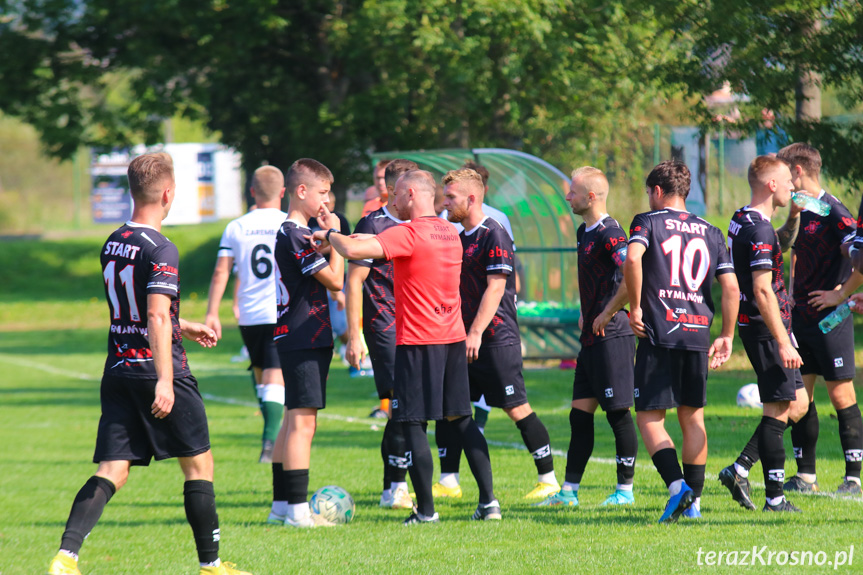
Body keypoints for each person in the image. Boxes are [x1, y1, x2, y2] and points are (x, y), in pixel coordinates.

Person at [47, 152, 250, 575]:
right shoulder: (161, 248)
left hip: (118, 367)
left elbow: (136, 310)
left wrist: (186, 324)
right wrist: (165, 379)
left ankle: (65, 558)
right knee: (198, 464)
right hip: (157, 367)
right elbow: (155, 315)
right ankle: (211, 565)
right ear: (168, 193)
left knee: (113, 469)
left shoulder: (114, 240)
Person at [310, 169, 499, 524]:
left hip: (417, 342)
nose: (391, 201)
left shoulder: (410, 232)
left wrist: (329, 232)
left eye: (395, 194)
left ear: (411, 194)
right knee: (461, 419)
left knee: (412, 423)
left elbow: (352, 249)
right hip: (453, 339)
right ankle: (490, 503)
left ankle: (426, 511)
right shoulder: (451, 233)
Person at [624, 160, 739, 523]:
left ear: (657, 191)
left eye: (649, 193)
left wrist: (635, 307)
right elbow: (732, 288)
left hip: (660, 332)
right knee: (693, 417)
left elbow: (632, 259)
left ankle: (678, 489)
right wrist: (726, 335)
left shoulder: (647, 221)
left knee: (648, 418)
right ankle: (696, 506)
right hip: (696, 333)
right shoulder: (711, 230)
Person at [439, 168, 559, 500]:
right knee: (453, 409)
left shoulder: (495, 233)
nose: (444, 202)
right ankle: (449, 481)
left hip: (494, 340)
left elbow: (496, 288)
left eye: (451, 197)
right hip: (465, 340)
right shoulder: (459, 237)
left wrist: (475, 331)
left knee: (516, 407)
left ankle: (548, 479)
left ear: (472, 197)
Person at [537, 166, 638, 508]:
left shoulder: (611, 232)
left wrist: (609, 311)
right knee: (579, 416)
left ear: (591, 197)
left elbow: (632, 274)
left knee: (618, 413)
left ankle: (625, 492)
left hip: (612, 336)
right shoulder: (584, 231)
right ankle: (568, 493)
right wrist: (588, 309)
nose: (567, 197)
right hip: (590, 338)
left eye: (573, 192)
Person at [718, 155, 810, 513]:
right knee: (777, 409)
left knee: (796, 405)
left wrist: (794, 216)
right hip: (766, 327)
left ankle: (740, 469)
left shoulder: (743, 218)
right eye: (787, 180)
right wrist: (784, 341)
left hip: (762, 325)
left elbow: (776, 246)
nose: (792, 185)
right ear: (771, 185)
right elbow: (762, 289)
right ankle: (775, 498)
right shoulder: (757, 229)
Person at [777, 143, 863, 496]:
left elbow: (860, 257)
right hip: (802, 318)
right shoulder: (804, 209)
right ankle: (806, 475)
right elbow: (790, 251)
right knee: (803, 397)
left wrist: (840, 294)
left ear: (798, 170)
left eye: (784, 171)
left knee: (841, 394)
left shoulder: (834, 210)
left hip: (832, 319)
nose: (780, 178)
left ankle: (854, 478)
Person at [266, 158, 344, 528]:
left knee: (290, 421)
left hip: (296, 333)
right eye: (323, 192)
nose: (327, 201)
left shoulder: (295, 234)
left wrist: (326, 241)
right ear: (302, 191)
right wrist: (338, 238)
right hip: (303, 334)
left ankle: (281, 507)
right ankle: (297, 511)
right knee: (302, 424)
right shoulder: (294, 233)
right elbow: (335, 281)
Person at [346, 159, 419, 509]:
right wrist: (355, 334)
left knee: (412, 408)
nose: (414, 192)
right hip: (385, 327)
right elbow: (354, 281)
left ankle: (396, 486)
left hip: (421, 326)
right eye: (409, 186)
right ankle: (395, 487)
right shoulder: (371, 224)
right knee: (400, 406)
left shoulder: (424, 223)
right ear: (391, 189)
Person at [205, 165, 287, 464]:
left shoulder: (236, 227)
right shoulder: (289, 222)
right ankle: (270, 443)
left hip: (249, 314)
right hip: (281, 310)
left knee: (261, 373)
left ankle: (272, 433)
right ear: (283, 192)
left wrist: (212, 311)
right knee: (273, 377)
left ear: (252, 192)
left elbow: (221, 271)